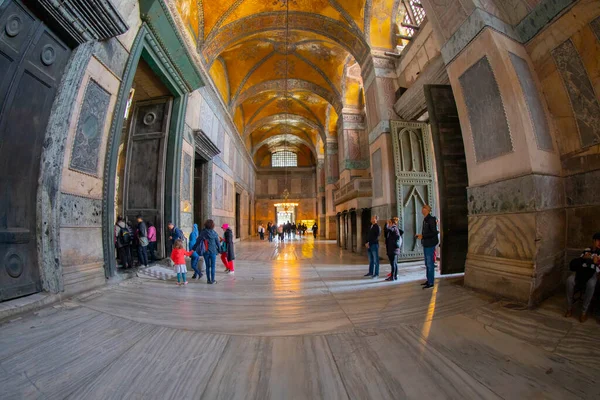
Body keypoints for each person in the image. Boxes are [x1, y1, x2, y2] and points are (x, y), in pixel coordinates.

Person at [565, 232, 600, 323]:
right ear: (594, 241)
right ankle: (569, 308)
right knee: (569, 281)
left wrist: (597, 262)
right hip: (581, 271)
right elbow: (580, 260)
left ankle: (583, 311)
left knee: (591, 284)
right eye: (598, 240)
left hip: (593, 273)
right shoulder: (587, 249)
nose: (599, 242)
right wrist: (585, 257)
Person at [416, 205, 439, 289]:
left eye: (424, 208)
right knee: (427, 263)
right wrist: (422, 236)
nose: (422, 209)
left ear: (428, 210)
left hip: (430, 244)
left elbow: (434, 232)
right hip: (426, 244)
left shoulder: (431, 219)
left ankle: (431, 282)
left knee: (430, 263)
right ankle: (428, 279)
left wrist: (423, 236)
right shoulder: (425, 219)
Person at [198, 219, 221, 284]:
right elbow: (218, 243)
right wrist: (220, 250)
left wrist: (194, 248)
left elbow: (198, 241)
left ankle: (208, 280)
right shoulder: (214, 233)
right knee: (213, 266)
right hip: (213, 251)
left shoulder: (203, 232)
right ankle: (213, 280)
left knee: (208, 266)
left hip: (206, 251)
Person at [384, 217, 403, 281]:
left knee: (393, 263)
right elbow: (386, 233)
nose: (388, 224)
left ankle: (393, 276)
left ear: (391, 223)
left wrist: (386, 225)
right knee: (394, 263)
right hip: (393, 249)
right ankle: (395, 276)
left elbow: (387, 230)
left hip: (393, 249)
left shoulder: (393, 228)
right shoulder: (394, 228)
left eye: (389, 223)